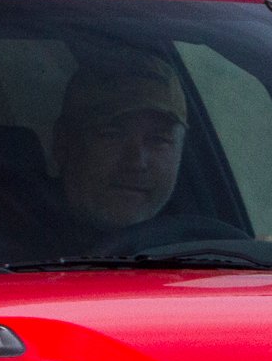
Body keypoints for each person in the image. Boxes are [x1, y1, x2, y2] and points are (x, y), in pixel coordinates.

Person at [49, 55, 188, 236]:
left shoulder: (194, 242)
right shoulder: (9, 234)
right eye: (112, 136)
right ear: (63, 142)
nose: (136, 162)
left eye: (158, 140)